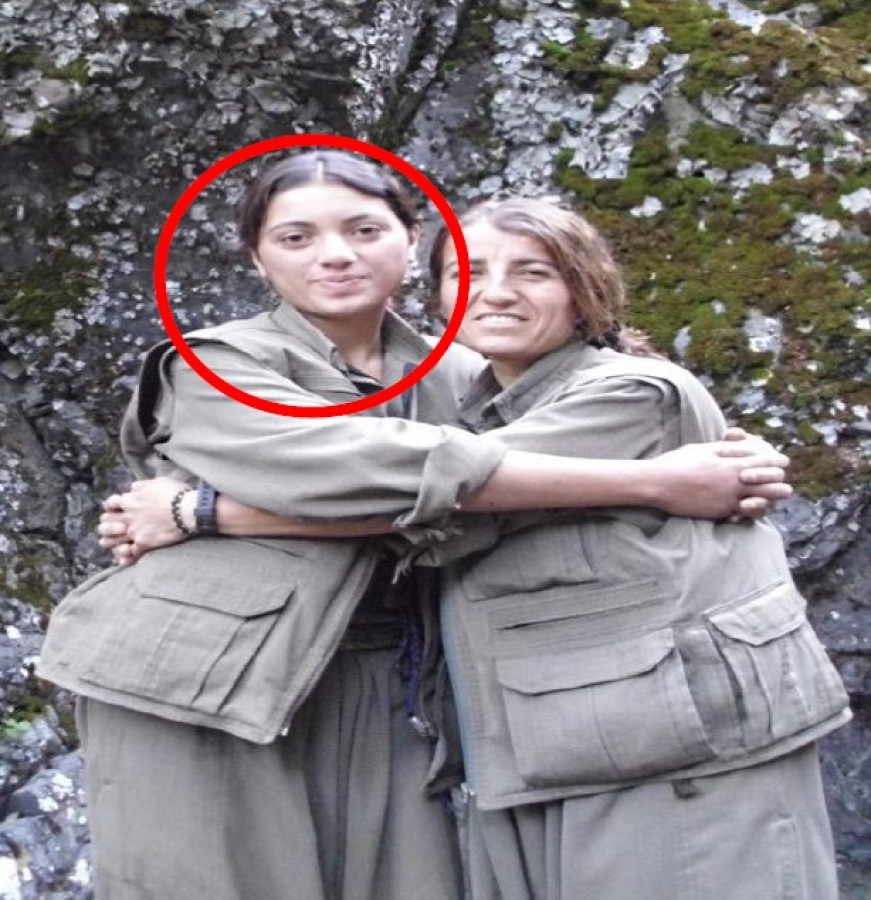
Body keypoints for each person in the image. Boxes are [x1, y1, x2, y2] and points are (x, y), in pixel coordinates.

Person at [39, 153, 795, 900]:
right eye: (296, 238)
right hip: (202, 680)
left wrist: (200, 513)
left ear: (410, 241)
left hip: (395, 681)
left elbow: (528, 467)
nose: (335, 255)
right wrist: (656, 480)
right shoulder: (213, 365)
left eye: (364, 230)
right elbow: (349, 476)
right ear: (259, 260)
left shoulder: (462, 374)